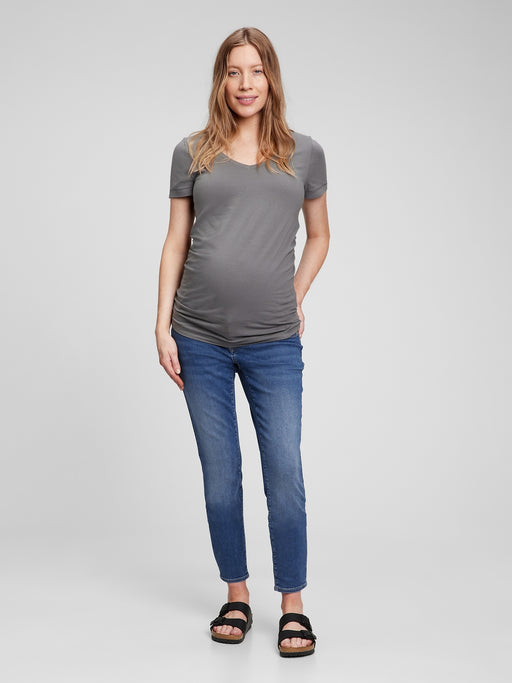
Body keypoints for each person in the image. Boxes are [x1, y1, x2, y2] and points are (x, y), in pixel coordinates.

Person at [155, 26, 330, 658]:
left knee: (284, 473)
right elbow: (176, 241)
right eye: (234, 71)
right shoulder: (192, 152)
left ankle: (293, 605)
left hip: (273, 340)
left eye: (256, 71)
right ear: (221, 80)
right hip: (198, 336)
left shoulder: (303, 154)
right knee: (219, 478)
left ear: (271, 78)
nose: (246, 83)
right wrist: (161, 325)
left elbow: (320, 235)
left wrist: (294, 294)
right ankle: (236, 594)